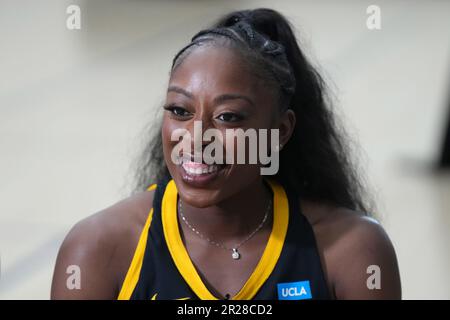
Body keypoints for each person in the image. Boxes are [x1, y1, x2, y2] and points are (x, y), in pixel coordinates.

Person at [51, 8, 401, 300]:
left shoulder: (352, 251)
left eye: (228, 117)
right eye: (180, 110)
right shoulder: (97, 250)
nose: (197, 138)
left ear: (280, 131)